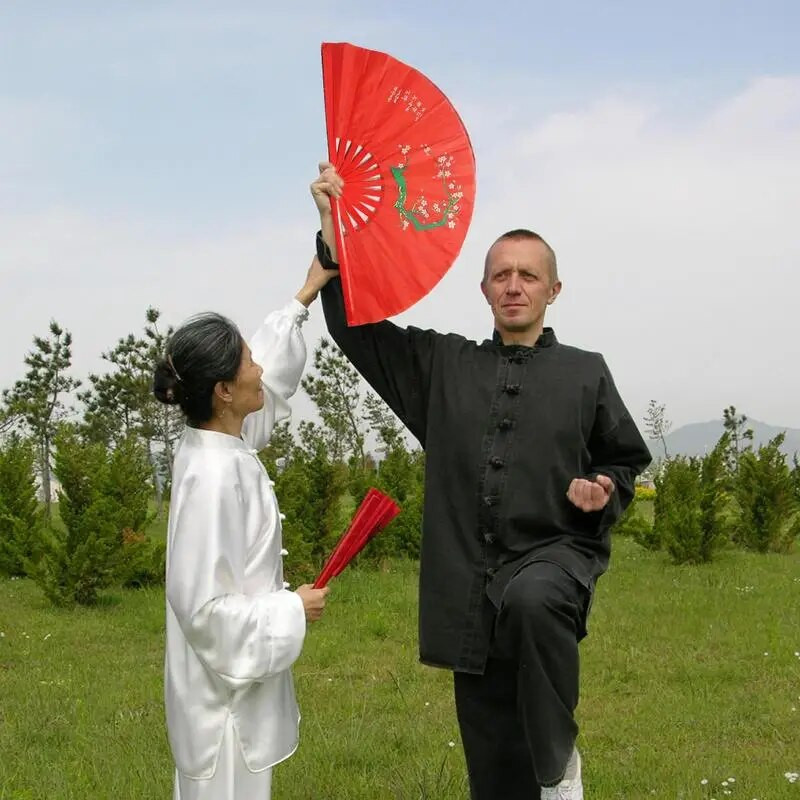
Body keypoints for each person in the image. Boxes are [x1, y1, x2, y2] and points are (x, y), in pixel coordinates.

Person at [309, 163, 651, 800]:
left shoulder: (586, 373)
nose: (514, 286)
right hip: (469, 579)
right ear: (485, 288)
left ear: (554, 290)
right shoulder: (442, 366)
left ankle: (559, 768)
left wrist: (603, 485)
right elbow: (355, 328)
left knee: (531, 598)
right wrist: (334, 236)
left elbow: (624, 458)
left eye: (528, 276)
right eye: (502, 275)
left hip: (557, 560)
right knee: (491, 759)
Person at [153, 259, 335, 800]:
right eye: (246, 361)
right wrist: (291, 609)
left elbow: (271, 380)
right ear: (223, 392)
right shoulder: (212, 479)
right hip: (221, 712)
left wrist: (306, 294)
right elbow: (204, 613)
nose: (258, 366)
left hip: (230, 698)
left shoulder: (223, 440)